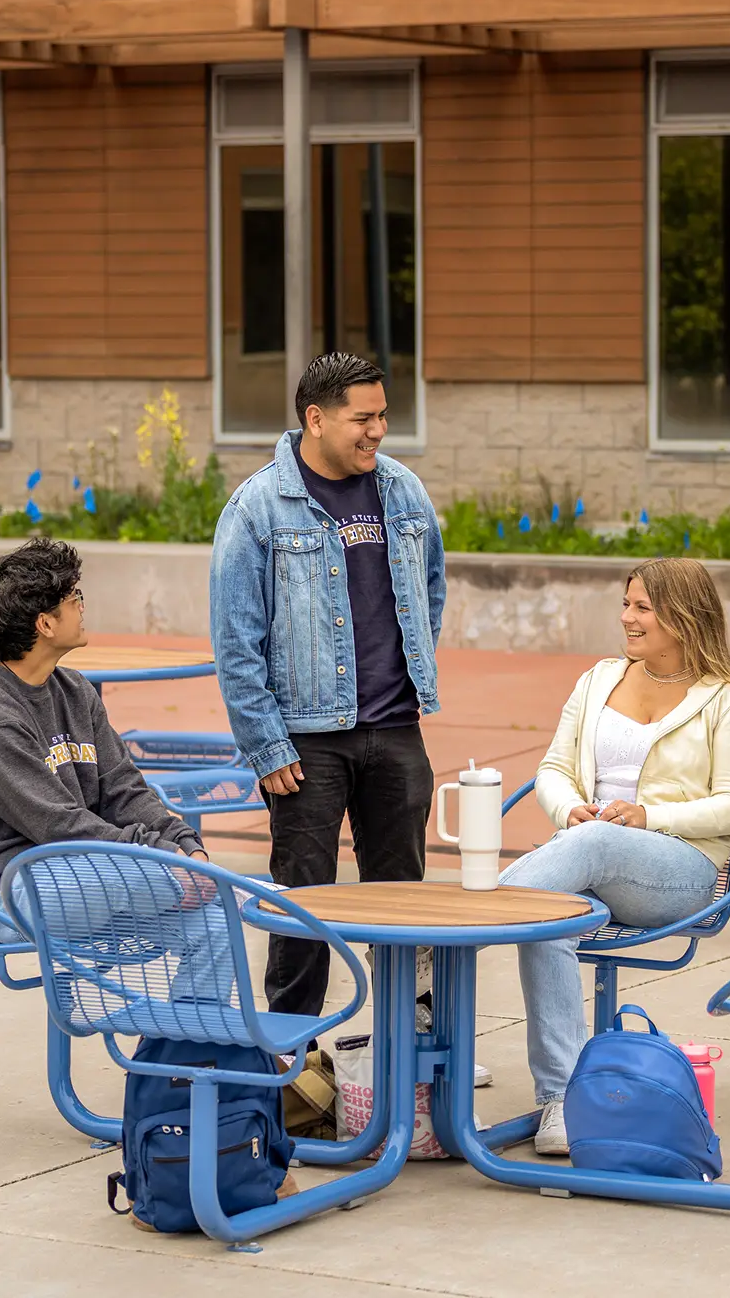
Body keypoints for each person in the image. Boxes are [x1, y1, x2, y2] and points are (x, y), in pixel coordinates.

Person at [209, 352, 474, 1067]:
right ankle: (285, 1061)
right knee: (303, 905)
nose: (379, 431)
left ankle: (411, 1045)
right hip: (305, 744)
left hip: (394, 730)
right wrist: (267, 745)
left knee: (403, 903)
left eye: (384, 415)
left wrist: (407, 672)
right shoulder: (260, 506)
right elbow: (236, 640)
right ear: (316, 419)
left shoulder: (403, 491)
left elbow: (432, 589)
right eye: (365, 417)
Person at [500, 557, 730, 1155]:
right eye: (627, 604)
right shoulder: (598, 680)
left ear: (683, 615)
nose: (627, 617)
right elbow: (554, 769)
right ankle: (562, 1101)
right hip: (586, 854)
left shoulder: (729, 701)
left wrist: (649, 817)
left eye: (642, 607)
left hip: (679, 869)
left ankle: (470, 916)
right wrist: (570, 809)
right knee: (549, 923)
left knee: (588, 848)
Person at [0, 537, 231, 1002]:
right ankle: (233, 889)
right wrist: (169, 866)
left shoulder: (75, 691)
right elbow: (60, 827)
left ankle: (178, 1057)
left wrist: (182, 843)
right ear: (45, 623)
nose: (82, 607)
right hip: (16, 892)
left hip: (93, 874)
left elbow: (124, 789)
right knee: (190, 882)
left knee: (216, 923)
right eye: (74, 599)